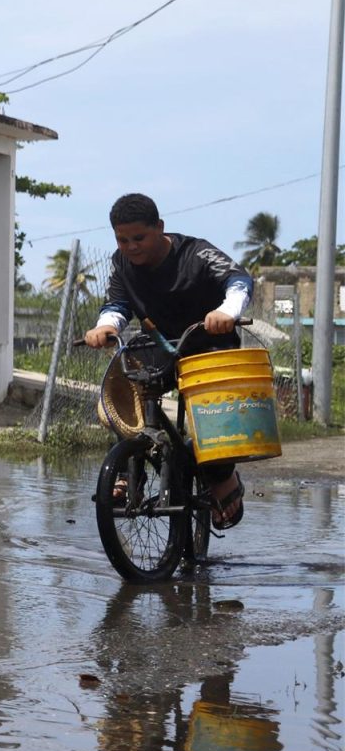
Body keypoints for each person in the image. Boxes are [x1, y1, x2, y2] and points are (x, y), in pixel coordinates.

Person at [82, 192, 253, 529]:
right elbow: (117, 304)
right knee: (122, 386)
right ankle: (133, 465)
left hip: (208, 346)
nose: (131, 247)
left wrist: (226, 311)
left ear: (160, 228)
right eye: (122, 239)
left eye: (139, 238)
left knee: (214, 417)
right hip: (158, 344)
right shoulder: (121, 264)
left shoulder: (197, 253)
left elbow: (239, 280)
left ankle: (222, 477)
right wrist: (105, 327)